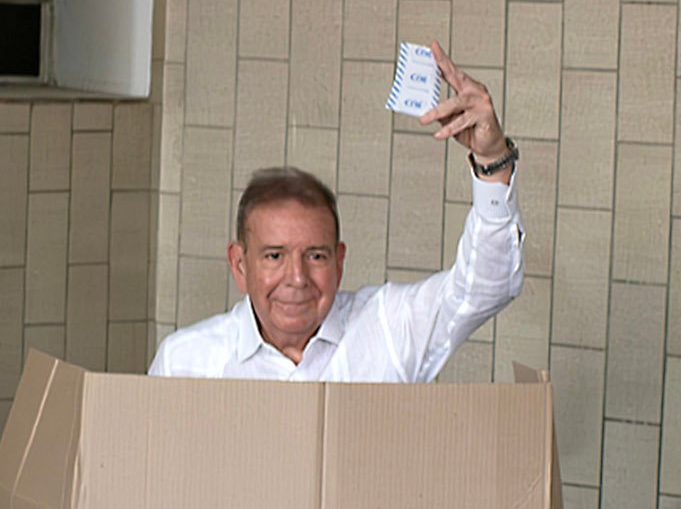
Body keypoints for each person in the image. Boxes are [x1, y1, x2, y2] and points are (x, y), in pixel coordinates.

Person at [148, 43, 523, 383]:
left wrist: (491, 159)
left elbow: (485, 287)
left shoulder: (386, 328)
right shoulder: (184, 363)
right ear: (240, 264)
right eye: (274, 255)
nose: (297, 278)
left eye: (315, 255)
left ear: (339, 261)